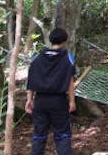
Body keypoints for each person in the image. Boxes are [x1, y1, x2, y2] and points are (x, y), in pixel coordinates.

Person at [25, 27, 76, 155]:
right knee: (62, 134)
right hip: (58, 101)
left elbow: (31, 78)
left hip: (40, 100)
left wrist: (29, 99)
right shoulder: (67, 57)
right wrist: (72, 101)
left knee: (39, 134)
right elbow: (70, 81)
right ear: (65, 41)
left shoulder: (37, 57)